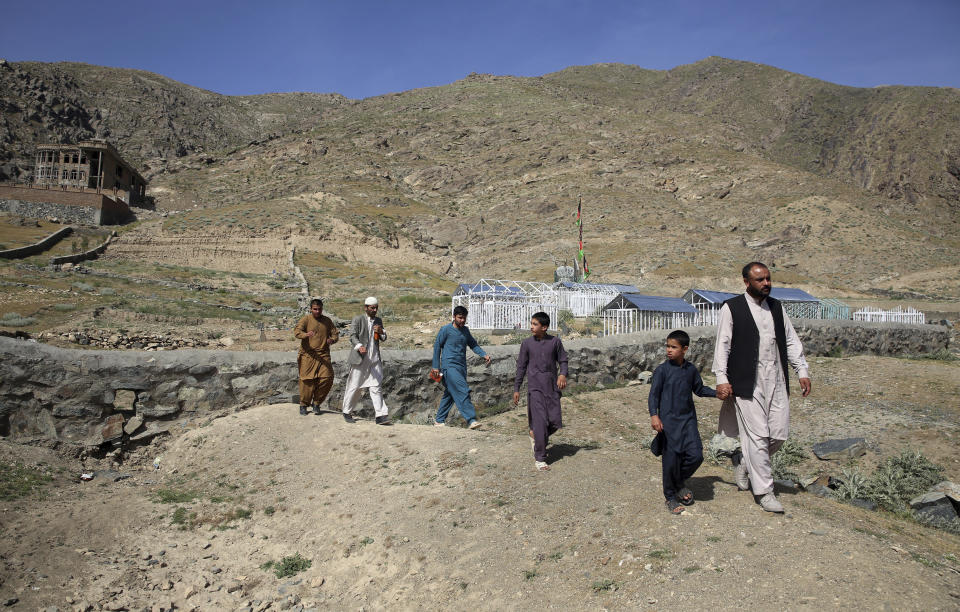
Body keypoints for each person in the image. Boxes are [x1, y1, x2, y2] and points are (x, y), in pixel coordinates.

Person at [713, 262, 812, 513]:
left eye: (768, 278)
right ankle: (765, 492)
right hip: (747, 382)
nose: (766, 283)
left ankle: (745, 461)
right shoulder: (732, 308)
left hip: (776, 379)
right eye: (760, 280)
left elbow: (790, 340)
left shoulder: (777, 307)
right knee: (757, 437)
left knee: (778, 434)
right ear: (747, 282)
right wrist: (721, 378)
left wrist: (801, 370)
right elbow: (722, 344)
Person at [649, 330, 717, 514]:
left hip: (688, 421)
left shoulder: (690, 370)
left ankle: (678, 482)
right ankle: (670, 497)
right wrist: (654, 416)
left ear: (685, 349)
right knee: (670, 460)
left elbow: (699, 389)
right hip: (668, 423)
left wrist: (717, 393)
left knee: (696, 455)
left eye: (674, 347)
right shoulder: (662, 370)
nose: (669, 350)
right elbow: (653, 395)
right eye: (667, 346)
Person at [513, 312, 568, 472]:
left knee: (555, 422)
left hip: (552, 389)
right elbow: (521, 367)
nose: (531, 326)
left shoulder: (555, 342)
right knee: (540, 422)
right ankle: (540, 458)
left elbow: (563, 360)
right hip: (535, 389)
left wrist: (562, 374)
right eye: (531, 323)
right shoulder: (527, 344)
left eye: (535, 324)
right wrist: (516, 388)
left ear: (544, 327)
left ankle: (535, 435)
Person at [430, 305, 491, 429]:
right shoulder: (445, 330)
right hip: (449, 367)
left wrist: (483, 354)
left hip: (461, 367)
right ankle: (471, 419)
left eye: (464, 318)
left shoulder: (465, 331)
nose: (462, 320)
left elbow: (473, 344)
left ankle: (439, 421)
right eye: (460, 318)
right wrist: (436, 366)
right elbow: (437, 347)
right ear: (454, 316)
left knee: (450, 394)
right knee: (462, 390)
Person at [342, 297, 390, 425]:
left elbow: (383, 337)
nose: (374, 310)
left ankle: (380, 415)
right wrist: (359, 346)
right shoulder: (358, 319)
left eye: (376, 308)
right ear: (366, 308)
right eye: (372, 308)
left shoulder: (378, 320)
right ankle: (347, 411)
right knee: (355, 386)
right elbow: (352, 336)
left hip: (374, 359)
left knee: (376, 387)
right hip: (360, 359)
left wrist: (381, 331)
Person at [294, 298, 339, 415]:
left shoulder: (327, 321)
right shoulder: (306, 319)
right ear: (311, 309)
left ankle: (317, 403)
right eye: (315, 309)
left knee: (327, 378)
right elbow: (297, 332)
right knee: (307, 380)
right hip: (308, 355)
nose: (317, 311)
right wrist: (306, 335)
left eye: (319, 309)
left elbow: (335, 334)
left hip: (324, 354)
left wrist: (332, 340)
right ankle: (304, 404)